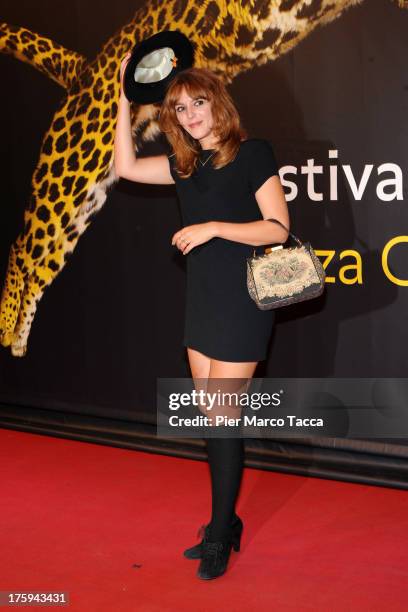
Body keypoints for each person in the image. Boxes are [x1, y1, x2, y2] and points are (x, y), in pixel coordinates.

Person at [114, 53, 290, 580]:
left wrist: (214, 226)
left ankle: (218, 535)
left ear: (218, 102)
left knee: (222, 418)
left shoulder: (253, 153)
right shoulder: (184, 164)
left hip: (242, 301)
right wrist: (125, 101)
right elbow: (123, 167)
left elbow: (278, 228)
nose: (191, 114)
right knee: (212, 421)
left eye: (198, 102)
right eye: (180, 108)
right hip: (203, 300)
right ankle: (225, 524)